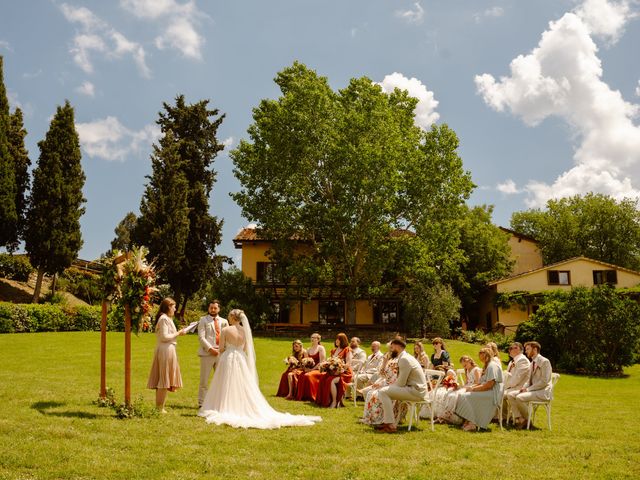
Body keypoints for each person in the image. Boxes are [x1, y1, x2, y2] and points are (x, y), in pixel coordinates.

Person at [199, 309, 322, 429]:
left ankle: (224, 406)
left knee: (226, 382)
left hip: (228, 357)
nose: (229, 318)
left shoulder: (225, 330)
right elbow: (246, 348)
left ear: (233, 317)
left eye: (230, 316)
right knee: (242, 383)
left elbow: (220, 349)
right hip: (241, 358)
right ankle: (239, 405)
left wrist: (224, 352)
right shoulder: (245, 331)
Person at [375, 337, 428, 433]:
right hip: (414, 389)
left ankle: (390, 425)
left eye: (392, 347)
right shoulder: (404, 357)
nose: (391, 350)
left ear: (398, 347)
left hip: (416, 391)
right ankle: (388, 422)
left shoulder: (404, 359)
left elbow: (401, 383)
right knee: (384, 391)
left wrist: (387, 387)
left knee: (383, 392)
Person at [147, 298, 187, 413]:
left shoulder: (167, 319)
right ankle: (160, 408)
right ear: (168, 307)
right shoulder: (164, 319)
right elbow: (164, 337)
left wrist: (178, 333)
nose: (175, 309)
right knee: (164, 379)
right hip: (166, 349)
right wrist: (178, 333)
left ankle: (160, 406)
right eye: (174, 306)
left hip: (168, 349)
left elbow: (169, 335)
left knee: (164, 378)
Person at [455, 347, 504, 431]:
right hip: (488, 390)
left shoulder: (492, 366)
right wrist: (471, 387)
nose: (480, 359)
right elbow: (482, 383)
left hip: (492, 393)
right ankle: (469, 420)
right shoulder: (487, 365)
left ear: (486, 356)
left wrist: (473, 389)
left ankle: (472, 423)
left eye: (481, 356)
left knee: (466, 396)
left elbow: (489, 385)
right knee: (463, 394)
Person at [507, 341, 552, 429]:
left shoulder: (544, 361)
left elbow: (544, 381)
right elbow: (529, 380)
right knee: (510, 395)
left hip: (543, 391)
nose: (526, 351)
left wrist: (528, 390)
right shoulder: (532, 363)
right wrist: (523, 388)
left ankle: (527, 421)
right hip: (533, 390)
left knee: (520, 397)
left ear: (535, 349)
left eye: (528, 349)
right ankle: (521, 419)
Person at [360, 346, 407, 426]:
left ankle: (381, 418)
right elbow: (382, 374)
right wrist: (385, 362)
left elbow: (395, 377)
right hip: (388, 383)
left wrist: (383, 384)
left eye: (391, 349)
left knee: (375, 394)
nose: (389, 351)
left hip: (396, 385)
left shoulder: (399, 361)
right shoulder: (390, 361)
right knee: (370, 393)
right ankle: (371, 417)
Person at [197, 300, 229, 407]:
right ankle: (202, 403)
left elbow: (227, 338)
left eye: (215, 308)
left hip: (221, 353)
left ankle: (219, 402)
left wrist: (223, 350)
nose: (213, 310)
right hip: (207, 353)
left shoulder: (224, 321)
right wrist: (210, 349)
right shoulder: (203, 320)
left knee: (220, 379)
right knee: (204, 380)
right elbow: (201, 337)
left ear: (219, 309)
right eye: (211, 308)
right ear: (208, 308)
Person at [316, 333, 352, 408]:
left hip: (344, 373)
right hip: (333, 372)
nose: (337, 341)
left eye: (339, 339)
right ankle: (325, 400)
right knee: (322, 377)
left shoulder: (347, 349)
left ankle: (334, 401)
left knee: (331, 381)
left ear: (343, 340)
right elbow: (330, 361)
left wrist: (341, 369)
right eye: (336, 339)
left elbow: (348, 363)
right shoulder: (333, 350)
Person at [502, 342, 530, 419]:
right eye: (510, 348)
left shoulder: (522, 360)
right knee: (497, 393)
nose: (511, 350)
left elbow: (517, 379)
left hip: (519, 388)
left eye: (514, 348)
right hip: (511, 386)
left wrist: (505, 387)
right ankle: (505, 416)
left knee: (499, 395)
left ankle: (513, 417)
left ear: (521, 350)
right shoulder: (512, 362)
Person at [295, 333, 326, 402]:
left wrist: (312, 369)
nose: (312, 339)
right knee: (301, 375)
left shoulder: (321, 348)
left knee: (308, 376)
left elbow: (322, 362)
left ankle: (311, 396)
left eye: (314, 338)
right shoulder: (308, 349)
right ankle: (302, 396)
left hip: (319, 369)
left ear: (318, 339)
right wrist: (306, 368)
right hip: (310, 369)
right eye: (311, 337)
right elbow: (305, 361)